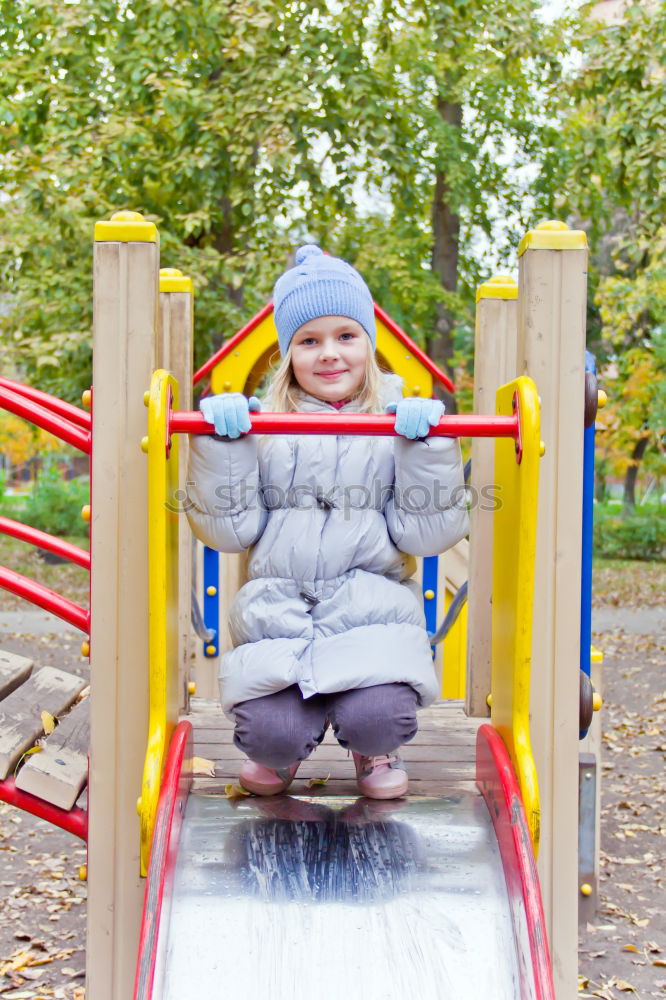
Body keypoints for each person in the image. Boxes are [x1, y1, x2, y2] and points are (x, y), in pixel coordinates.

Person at [186, 245, 468, 800]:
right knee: (268, 735)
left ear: (369, 342)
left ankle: (373, 749)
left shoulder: (397, 426)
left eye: (346, 336)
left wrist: (429, 447)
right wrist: (222, 446)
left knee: (378, 718)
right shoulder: (266, 427)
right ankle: (283, 753)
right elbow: (229, 532)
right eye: (308, 341)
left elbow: (427, 535)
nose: (329, 354)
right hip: (279, 620)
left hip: (370, 616)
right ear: (287, 353)